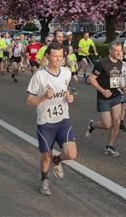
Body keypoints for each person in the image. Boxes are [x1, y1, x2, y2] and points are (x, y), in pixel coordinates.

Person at [26, 42, 77, 196]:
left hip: (62, 119)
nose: (58, 59)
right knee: (46, 155)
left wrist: (69, 98)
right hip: (45, 122)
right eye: (54, 56)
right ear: (47, 56)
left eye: (61, 56)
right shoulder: (40, 75)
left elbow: (67, 90)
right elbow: (29, 101)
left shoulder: (67, 72)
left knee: (71, 154)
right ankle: (44, 180)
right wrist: (43, 97)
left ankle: (58, 160)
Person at [85, 42, 126, 158]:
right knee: (106, 124)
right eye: (116, 51)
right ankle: (92, 124)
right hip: (103, 98)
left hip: (116, 96)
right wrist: (102, 90)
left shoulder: (120, 63)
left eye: (120, 51)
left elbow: (117, 79)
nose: (119, 53)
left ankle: (109, 146)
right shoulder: (102, 63)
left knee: (117, 122)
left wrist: (123, 88)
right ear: (110, 51)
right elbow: (91, 79)